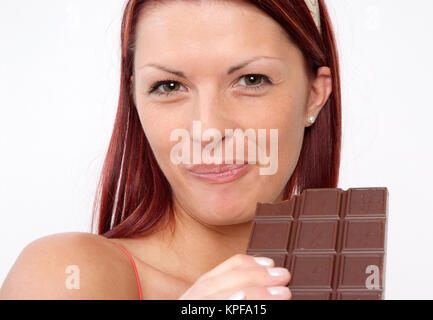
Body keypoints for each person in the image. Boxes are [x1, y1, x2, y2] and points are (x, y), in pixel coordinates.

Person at [0, 0, 341, 300]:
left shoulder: (350, 281)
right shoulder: (65, 274)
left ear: (314, 94)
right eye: (169, 86)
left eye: (252, 80)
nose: (208, 130)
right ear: (135, 99)